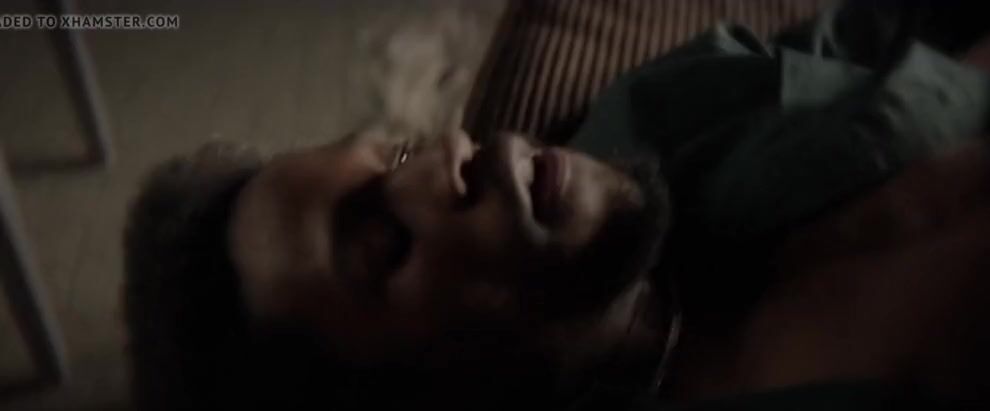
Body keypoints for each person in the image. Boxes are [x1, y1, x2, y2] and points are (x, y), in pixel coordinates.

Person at [123, 1, 990, 410]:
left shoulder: (648, 118)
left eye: (396, 154)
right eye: (383, 244)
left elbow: (890, 25)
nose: (454, 154)